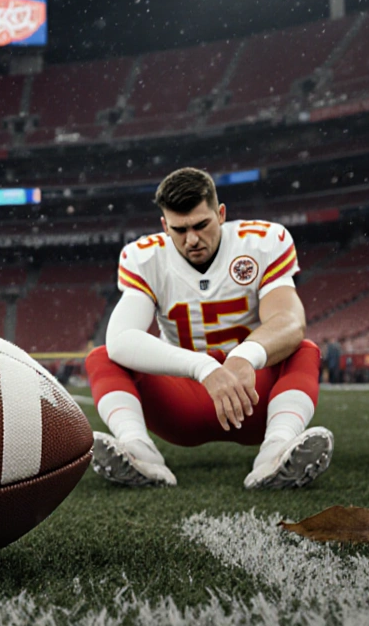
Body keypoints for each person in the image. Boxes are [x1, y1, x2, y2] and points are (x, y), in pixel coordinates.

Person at [84, 167, 330, 489]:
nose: (192, 239)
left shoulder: (261, 242)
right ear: (164, 226)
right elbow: (120, 340)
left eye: (201, 225)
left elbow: (290, 321)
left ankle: (276, 453)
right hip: (184, 400)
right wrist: (203, 367)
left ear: (221, 214)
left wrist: (244, 356)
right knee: (103, 356)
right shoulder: (145, 257)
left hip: (251, 395)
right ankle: (139, 453)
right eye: (179, 229)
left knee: (303, 350)